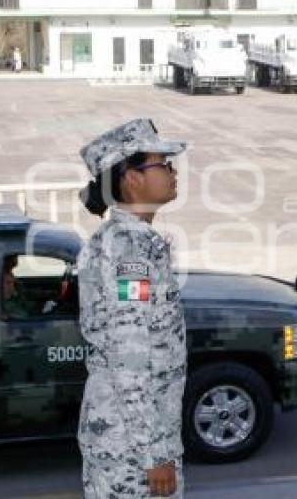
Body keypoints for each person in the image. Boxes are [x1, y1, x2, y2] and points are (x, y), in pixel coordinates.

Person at [76, 118, 187, 498]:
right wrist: (154, 454)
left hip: (130, 439)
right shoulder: (130, 252)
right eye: (163, 164)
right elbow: (129, 359)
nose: (173, 173)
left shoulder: (126, 241)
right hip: (130, 450)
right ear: (132, 178)